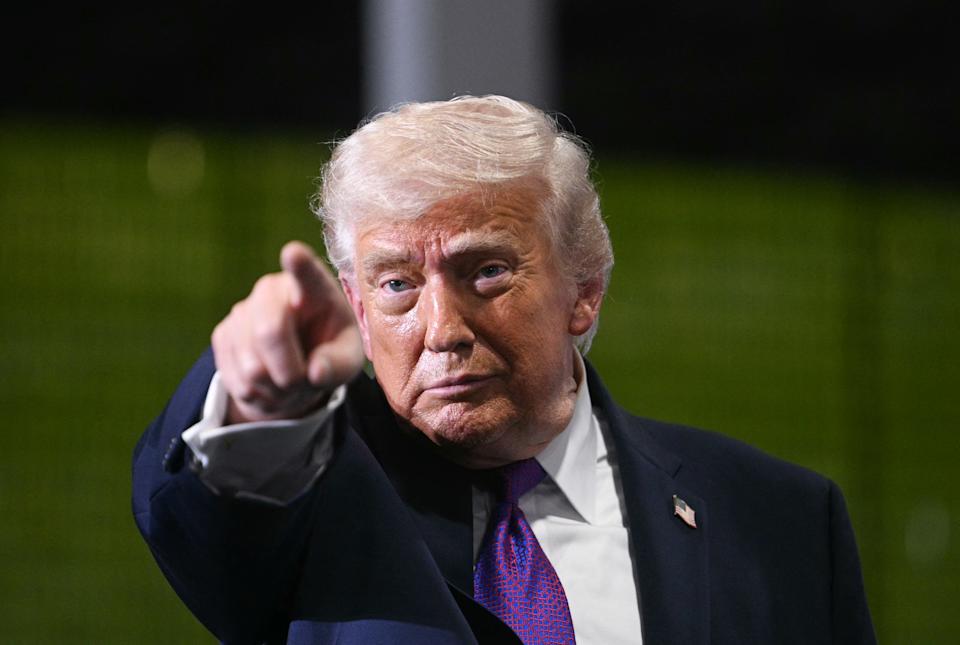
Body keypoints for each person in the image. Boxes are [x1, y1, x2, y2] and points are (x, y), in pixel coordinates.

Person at [132, 95, 876, 645]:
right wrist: (261, 398)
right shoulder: (309, 489)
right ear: (356, 308)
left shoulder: (784, 521)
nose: (442, 331)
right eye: (397, 284)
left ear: (583, 290)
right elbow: (202, 513)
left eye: (485, 271)